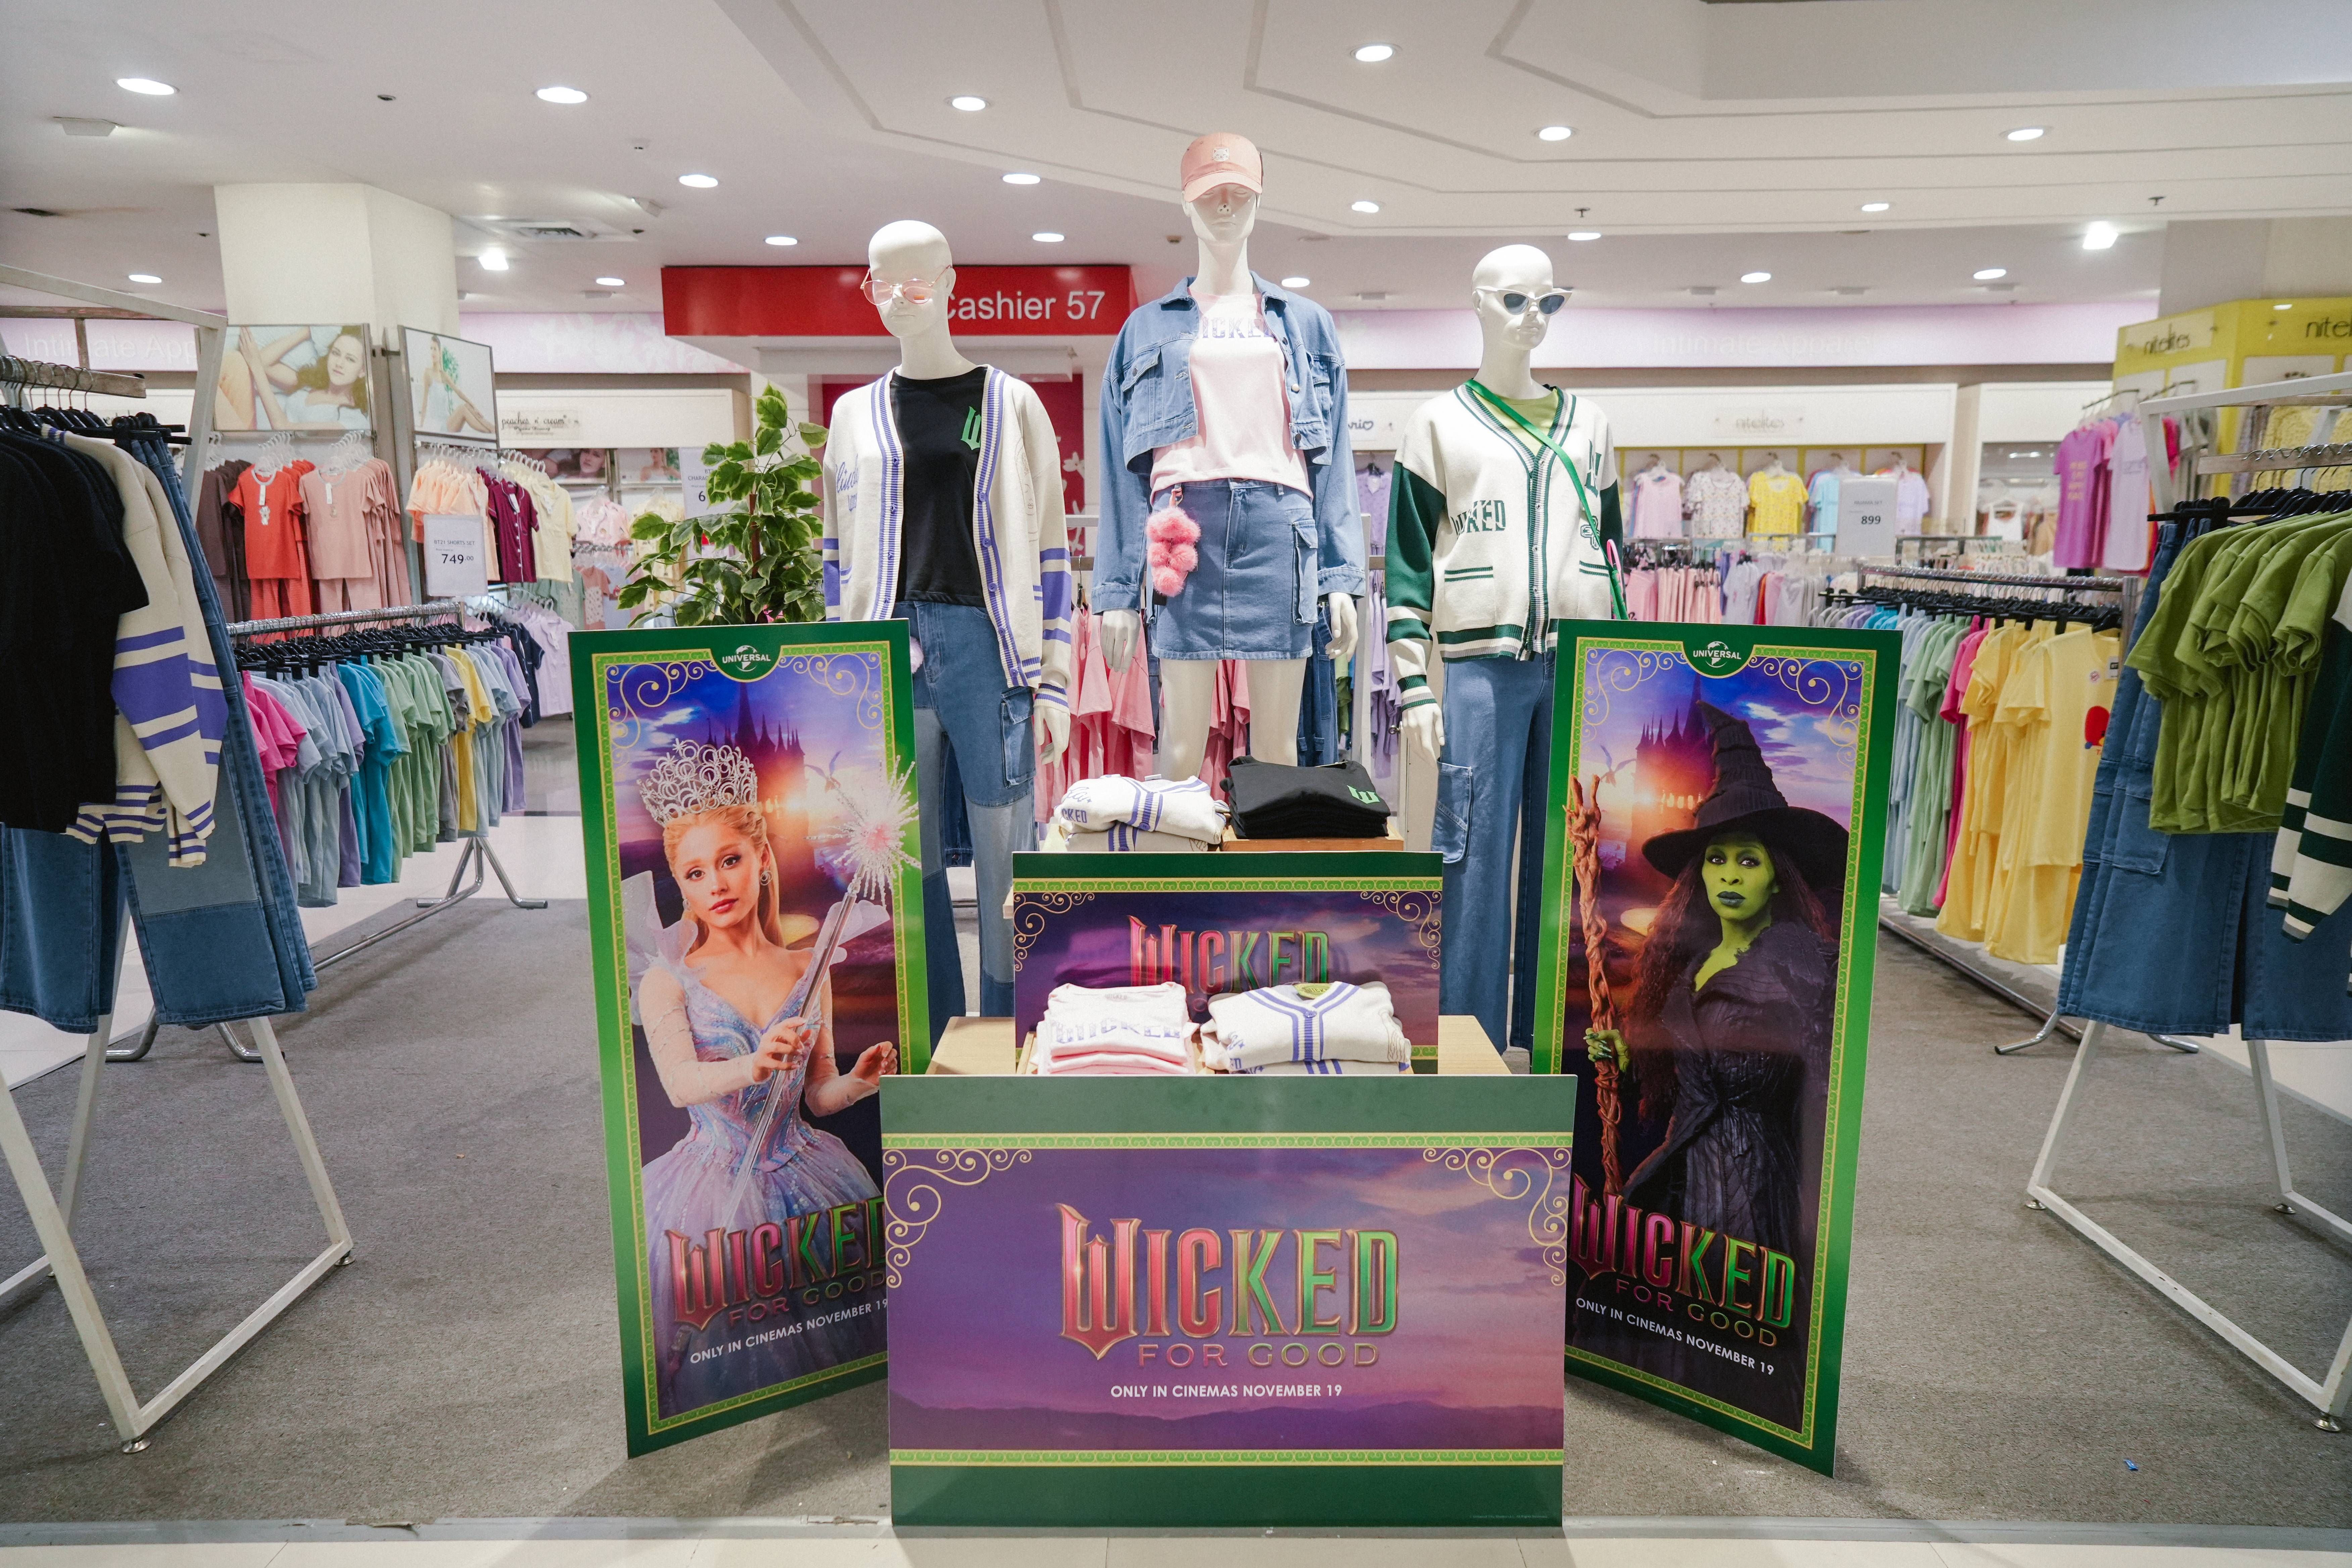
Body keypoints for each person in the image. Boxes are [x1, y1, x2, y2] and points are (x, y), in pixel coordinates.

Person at [631, 740, 895, 1414]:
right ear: (679, 883)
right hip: (710, 1182)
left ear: (763, 860)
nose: (716, 885)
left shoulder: (808, 968)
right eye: (695, 873)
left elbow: (817, 1095)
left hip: (806, 1167)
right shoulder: (668, 981)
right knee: (725, 1349)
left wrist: (859, 1082)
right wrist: (752, 1063)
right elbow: (680, 1084)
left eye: (730, 861)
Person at [1585, 702, 1843, 1264]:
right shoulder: (1685, 964)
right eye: (1716, 859)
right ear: (1699, 873)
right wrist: (1629, 1055)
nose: (1729, 874)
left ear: (1777, 877)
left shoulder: (1807, 966)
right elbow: (1685, 1082)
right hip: (1679, 1182)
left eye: (1748, 861)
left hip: (1757, 1195)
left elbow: (1826, 1100)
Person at [215, 325, 371, 432]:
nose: (339, 364)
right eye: (336, 353)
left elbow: (283, 428)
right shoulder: (312, 385)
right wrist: (307, 331)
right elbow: (263, 362)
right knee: (233, 362)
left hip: (271, 454)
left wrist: (255, 365)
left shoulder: (354, 419)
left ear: (362, 371)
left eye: (350, 360)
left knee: (213, 384)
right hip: (251, 433)